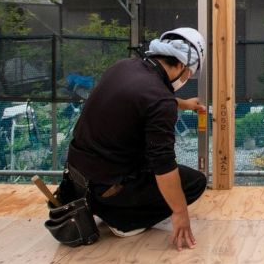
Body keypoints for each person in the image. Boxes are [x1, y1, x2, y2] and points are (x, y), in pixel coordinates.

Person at [65, 27, 209, 249]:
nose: (188, 78)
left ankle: (103, 202)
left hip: (78, 178)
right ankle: (122, 219)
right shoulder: (160, 100)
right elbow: (163, 165)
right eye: (190, 73)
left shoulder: (124, 67)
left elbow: (142, 98)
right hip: (106, 185)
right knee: (194, 183)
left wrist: (183, 103)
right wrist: (180, 212)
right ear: (181, 65)